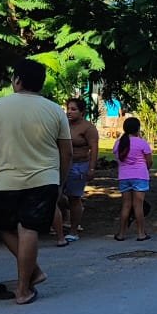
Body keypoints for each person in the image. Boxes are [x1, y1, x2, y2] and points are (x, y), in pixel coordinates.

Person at [0, 60, 70, 305]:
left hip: (5, 181)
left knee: (5, 228)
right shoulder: (54, 110)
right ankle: (31, 276)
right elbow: (67, 152)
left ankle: (23, 288)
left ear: (17, 80)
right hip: (44, 179)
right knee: (28, 229)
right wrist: (60, 181)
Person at [58, 98, 100, 245]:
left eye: (73, 109)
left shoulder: (88, 128)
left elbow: (94, 148)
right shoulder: (63, 125)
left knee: (74, 198)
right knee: (56, 195)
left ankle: (74, 230)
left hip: (78, 165)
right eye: (68, 108)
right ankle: (63, 220)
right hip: (61, 164)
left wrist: (92, 168)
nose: (69, 112)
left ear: (82, 112)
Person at [113, 116, 152, 242]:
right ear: (138, 129)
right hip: (140, 176)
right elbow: (149, 161)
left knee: (126, 205)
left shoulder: (118, 143)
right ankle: (141, 233)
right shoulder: (142, 143)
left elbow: (118, 160)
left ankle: (121, 233)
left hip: (124, 177)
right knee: (138, 206)